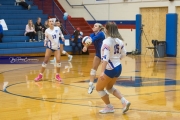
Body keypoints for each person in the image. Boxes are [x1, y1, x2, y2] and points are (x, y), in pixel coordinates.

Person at [96, 22, 130, 114]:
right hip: (118, 67)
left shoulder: (106, 41)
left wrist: (102, 71)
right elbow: (124, 54)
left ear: (106, 30)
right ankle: (124, 101)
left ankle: (109, 107)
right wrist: (117, 59)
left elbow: (105, 58)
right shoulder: (120, 41)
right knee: (109, 87)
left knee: (99, 88)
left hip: (110, 68)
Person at [82, 23, 105, 94]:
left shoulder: (101, 34)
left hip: (105, 54)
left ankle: (106, 86)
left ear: (99, 28)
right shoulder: (92, 35)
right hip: (98, 54)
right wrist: (86, 46)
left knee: (105, 71)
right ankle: (91, 85)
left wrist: (85, 46)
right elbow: (89, 41)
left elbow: (92, 39)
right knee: (93, 69)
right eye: (93, 25)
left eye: (96, 26)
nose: (94, 27)